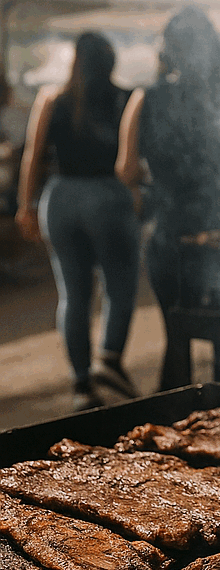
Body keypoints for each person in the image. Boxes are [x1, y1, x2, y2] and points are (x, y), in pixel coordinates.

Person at [118, 6, 220, 391]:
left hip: (174, 230)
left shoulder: (147, 98)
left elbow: (125, 170)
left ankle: (171, 424)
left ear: (169, 49)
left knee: (177, 336)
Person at [16, 32, 141, 410]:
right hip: (108, 196)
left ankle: (81, 385)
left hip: (62, 198)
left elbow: (33, 156)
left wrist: (27, 206)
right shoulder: (126, 98)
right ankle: (110, 358)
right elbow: (132, 161)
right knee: (119, 287)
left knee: (73, 294)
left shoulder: (51, 99)